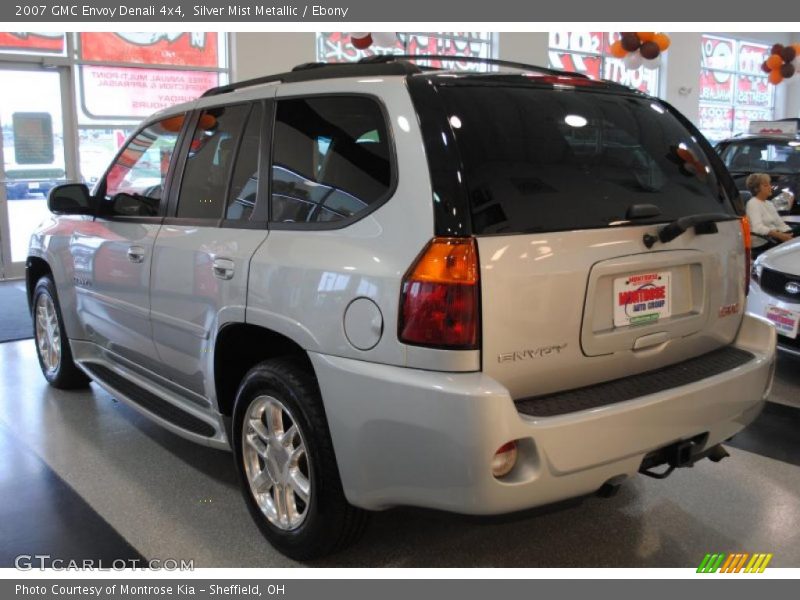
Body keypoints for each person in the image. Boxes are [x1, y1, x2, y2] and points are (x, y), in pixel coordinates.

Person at [744, 173, 795, 250]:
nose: (770, 187)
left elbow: (780, 224)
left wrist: (790, 234)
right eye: (766, 185)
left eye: (769, 184)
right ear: (756, 189)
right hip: (766, 241)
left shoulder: (769, 203)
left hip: (778, 236)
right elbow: (757, 228)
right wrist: (781, 236)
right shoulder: (753, 204)